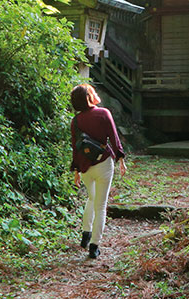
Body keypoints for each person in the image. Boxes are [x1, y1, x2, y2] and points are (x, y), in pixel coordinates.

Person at [70, 83, 126, 259]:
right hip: (103, 164)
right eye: (91, 92)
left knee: (91, 198)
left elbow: (75, 147)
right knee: (100, 205)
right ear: (88, 98)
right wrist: (121, 159)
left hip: (86, 166)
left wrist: (76, 169)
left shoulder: (75, 121)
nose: (95, 93)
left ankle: (85, 234)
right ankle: (94, 246)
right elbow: (114, 138)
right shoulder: (103, 114)